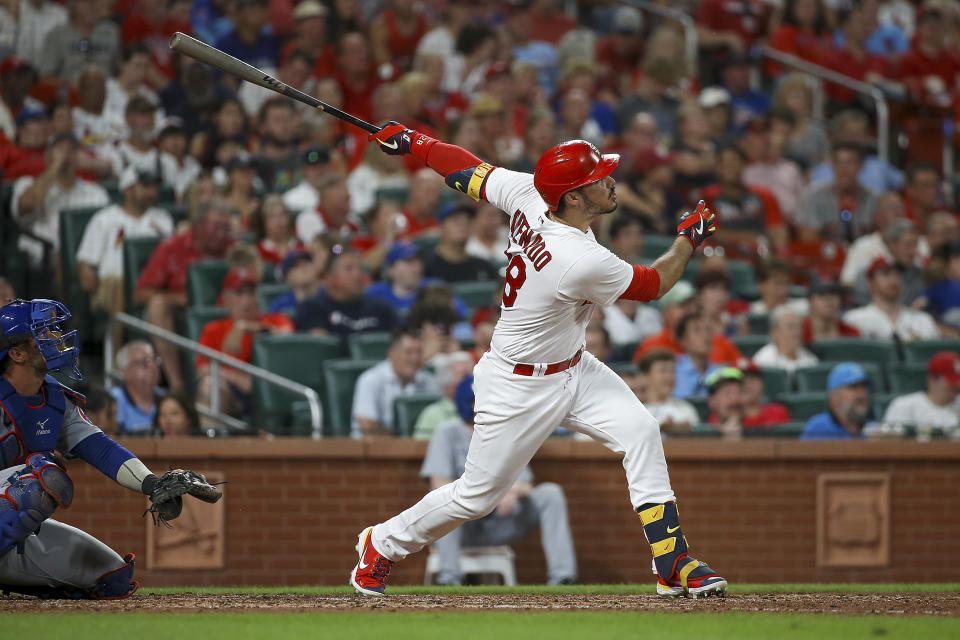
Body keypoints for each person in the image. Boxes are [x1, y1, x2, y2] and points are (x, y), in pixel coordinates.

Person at [350, 125, 726, 599]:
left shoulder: (532, 191)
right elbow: (653, 286)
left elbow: (466, 171)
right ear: (572, 197)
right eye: (598, 177)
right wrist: (688, 240)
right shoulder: (579, 259)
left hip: (572, 365)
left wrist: (412, 141)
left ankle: (672, 561)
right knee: (476, 496)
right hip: (517, 384)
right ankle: (380, 544)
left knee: (642, 431)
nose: (611, 180)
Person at [0, 298, 210, 598]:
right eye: (43, 333)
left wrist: (154, 484)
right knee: (35, 481)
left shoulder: (56, 400)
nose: (56, 338)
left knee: (109, 576)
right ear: (17, 353)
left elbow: (102, 449)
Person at [423, 376, 577, 586]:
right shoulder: (447, 433)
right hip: (462, 526)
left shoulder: (506, 431)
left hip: (499, 522)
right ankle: (449, 578)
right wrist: (485, 495)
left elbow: (526, 484)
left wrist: (511, 492)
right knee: (441, 500)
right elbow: (438, 483)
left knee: (550, 493)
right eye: (476, 402)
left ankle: (563, 577)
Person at [134, 200, 235, 390]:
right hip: (182, 314)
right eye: (216, 227)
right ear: (198, 226)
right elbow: (140, 294)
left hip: (226, 311)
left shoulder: (234, 248)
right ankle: (177, 385)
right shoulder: (171, 248)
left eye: (226, 227)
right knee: (157, 304)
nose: (222, 233)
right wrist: (180, 298)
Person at [196, 268, 294, 419]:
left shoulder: (275, 319)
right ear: (226, 298)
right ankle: (212, 439)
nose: (246, 300)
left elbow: (288, 337)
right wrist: (238, 378)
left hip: (271, 391)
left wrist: (245, 327)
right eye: (239, 293)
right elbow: (202, 368)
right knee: (209, 385)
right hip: (233, 393)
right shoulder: (214, 329)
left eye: (251, 293)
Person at [76, 167, 173, 318]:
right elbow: (86, 263)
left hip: (151, 285)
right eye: (146, 186)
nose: (152, 191)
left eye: (154, 186)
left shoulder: (163, 219)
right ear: (127, 190)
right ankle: (116, 341)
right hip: (111, 284)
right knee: (121, 285)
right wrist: (95, 287)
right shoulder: (105, 218)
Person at [11, 133, 110, 265]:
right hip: (42, 258)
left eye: (71, 150)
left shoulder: (95, 192)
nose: (65, 155)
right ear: (47, 156)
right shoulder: (27, 184)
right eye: (59, 150)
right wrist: (55, 165)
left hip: (84, 258)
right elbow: (29, 203)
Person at [351, 328, 439, 438]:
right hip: (371, 452)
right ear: (391, 354)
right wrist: (402, 446)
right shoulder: (370, 380)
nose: (415, 358)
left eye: (419, 352)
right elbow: (367, 426)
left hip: (417, 449)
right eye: (409, 352)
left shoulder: (428, 380)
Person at [293, 246, 397, 339]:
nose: (357, 275)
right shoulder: (312, 309)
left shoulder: (382, 309)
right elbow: (318, 349)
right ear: (329, 277)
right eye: (349, 269)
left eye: (360, 269)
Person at [842, 257, 939, 342]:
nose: (893, 280)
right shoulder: (854, 320)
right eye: (886, 274)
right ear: (870, 283)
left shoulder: (923, 320)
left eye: (897, 274)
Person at [798, 142, 879, 244]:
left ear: (860, 166)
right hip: (827, 257)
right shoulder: (814, 196)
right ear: (831, 165)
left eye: (850, 162)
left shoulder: (874, 199)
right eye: (838, 162)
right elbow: (808, 240)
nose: (843, 169)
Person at [882, 351, 960, 436]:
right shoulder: (904, 406)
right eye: (952, 381)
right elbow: (890, 443)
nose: (957, 385)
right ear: (932, 379)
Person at [424, 203, 499, 283]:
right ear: (441, 227)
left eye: (468, 220)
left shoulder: (485, 267)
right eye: (456, 220)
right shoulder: (426, 266)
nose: (463, 225)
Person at [800, 362, 873, 440]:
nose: (860, 394)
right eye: (853, 387)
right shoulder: (818, 428)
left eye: (863, 387)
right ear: (833, 396)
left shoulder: (873, 429)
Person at [412, 351, 474, 441]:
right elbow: (418, 449)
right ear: (446, 382)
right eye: (464, 376)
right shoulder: (432, 415)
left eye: (472, 375)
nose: (471, 382)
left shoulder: (481, 410)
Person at [638, 349, 701, 437]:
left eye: (672, 371)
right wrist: (661, 427)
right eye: (663, 371)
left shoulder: (685, 409)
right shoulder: (637, 411)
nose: (669, 377)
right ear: (645, 376)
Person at [110, 340, 162, 436]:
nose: (152, 366)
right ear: (125, 371)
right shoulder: (113, 400)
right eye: (143, 362)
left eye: (154, 360)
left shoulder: (167, 399)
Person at [751, 307, 818, 373]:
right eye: (790, 327)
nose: (797, 332)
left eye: (799, 327)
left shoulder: (810, 360)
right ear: (774, 332)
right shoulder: (763, 360)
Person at [672, 314, 722, 399]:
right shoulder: (672, 370)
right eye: (697, 330)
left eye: (708, 330)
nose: (705, 335)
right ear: (683, 340)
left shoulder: (720, 373)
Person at [268, 250, 321, 316]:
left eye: (307, 262)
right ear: (287, 275)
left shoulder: (329, 295)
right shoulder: (280, 305)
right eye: (296, 266)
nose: (304, 267)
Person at [704, 367, 745, 440]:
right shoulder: (702, 434)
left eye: (739, 392)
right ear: (712, 401)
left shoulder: (760, 425)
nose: (734, 399)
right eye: (727, 393)